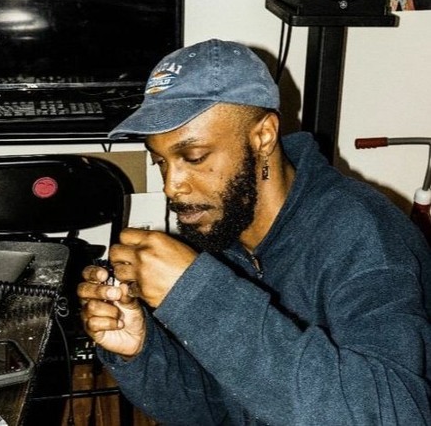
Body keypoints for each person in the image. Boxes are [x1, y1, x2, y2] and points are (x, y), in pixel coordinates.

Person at [77, 39, 431, 425]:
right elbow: (221, 411)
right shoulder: (224, 230)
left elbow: (395, 416)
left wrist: (199, 298)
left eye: (194, 157)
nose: (172, 186)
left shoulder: (367, 239)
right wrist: (143, 351)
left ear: (263, 137)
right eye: (160, 161)